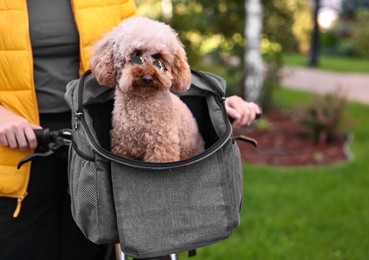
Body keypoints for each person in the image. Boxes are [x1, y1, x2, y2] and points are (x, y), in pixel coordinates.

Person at [0, 1, 260, 259]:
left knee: (87, 245)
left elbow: (160, 54)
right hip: (15, 142)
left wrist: (215, 102)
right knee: (21, 245)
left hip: (94, 136)